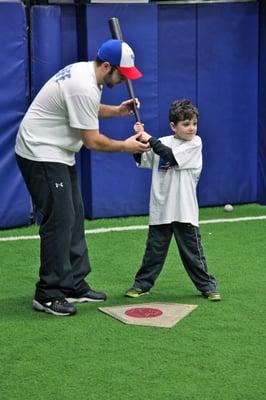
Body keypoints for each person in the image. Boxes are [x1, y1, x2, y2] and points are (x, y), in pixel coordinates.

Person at [15, 39, 149, 317]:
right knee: (60, 218)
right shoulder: (83, 86)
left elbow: (87, 110)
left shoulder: (88, 76)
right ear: (107, 66)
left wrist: (117, 111)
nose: (125, 81)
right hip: (40, 152)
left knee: (74, 213)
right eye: (123, 75)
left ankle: (73, 283)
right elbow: (92, 141)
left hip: (59, 151)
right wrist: (127, 146)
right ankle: (48, 293)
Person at [125, 99, 221, 301]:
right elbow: (142, 158)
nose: (191, 128)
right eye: (186, 124)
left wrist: (149, 139)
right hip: (161, 209)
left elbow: (170, 156)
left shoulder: (196, 143)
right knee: (153, 253)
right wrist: (139, 139)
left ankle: (207, 286)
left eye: (194, 123)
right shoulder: (163, 141)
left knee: (193, 254)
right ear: (173, 126)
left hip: (184, 210)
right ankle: (142, 285)